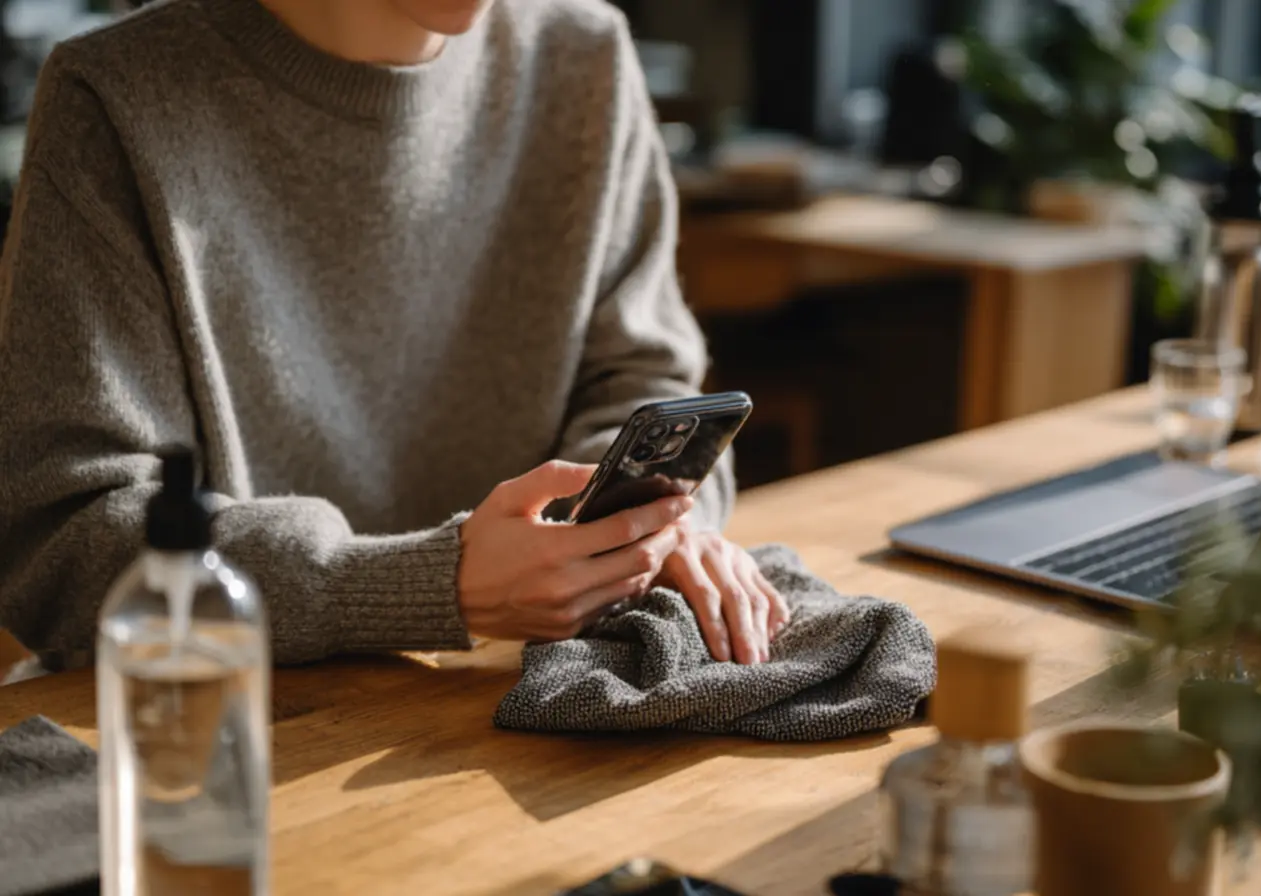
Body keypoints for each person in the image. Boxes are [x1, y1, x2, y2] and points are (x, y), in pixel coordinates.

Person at [0, 0, 789, 673]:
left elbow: (645, 378)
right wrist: (408, 586)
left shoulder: (583, 56)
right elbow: (60, 544)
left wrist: (644, 528)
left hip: (518, 713)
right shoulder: (116, 97)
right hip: (226, 732)